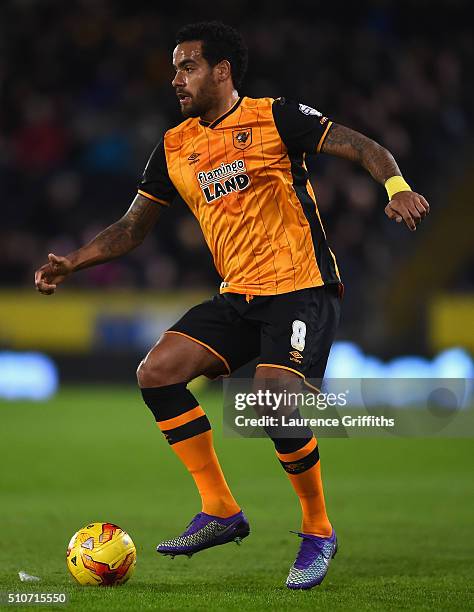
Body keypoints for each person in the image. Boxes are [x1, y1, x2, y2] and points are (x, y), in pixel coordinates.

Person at [34, 21, 429, 589]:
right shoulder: (174, 146)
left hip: (302, 288)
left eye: (187, 66)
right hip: (239, 294)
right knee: (157, 372)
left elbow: (363, 145)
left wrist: (397, 189)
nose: (175, 79)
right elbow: (132, 227)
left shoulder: (275, 117)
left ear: (221, 70)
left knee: (272, 400)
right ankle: (219, 508)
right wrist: (75, 261)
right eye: (174, 68)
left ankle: (318, 530)